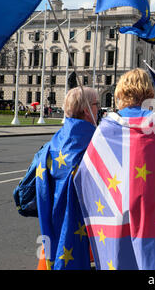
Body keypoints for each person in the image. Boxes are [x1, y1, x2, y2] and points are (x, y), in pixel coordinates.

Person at [73, 68, 155, 270]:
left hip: (118, 210)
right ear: (149, 92)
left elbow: (87, 172)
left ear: (121, 92)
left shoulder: (107, 127)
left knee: (122, 260)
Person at [35, 86, 99, 270]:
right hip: (87, 237)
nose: (99, 109)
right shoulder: (95, 145)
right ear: (87, 111)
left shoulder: (53, 142)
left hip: (56, 227)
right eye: (96, 105)